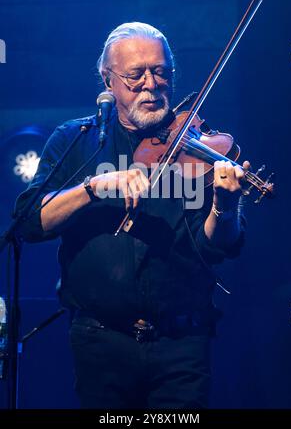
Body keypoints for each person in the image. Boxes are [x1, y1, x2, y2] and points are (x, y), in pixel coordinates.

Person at [15, 22, 249, 409]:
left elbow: (219, 246)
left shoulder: (198, 147)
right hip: (100, 342)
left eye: (161, 72)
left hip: (182, 344)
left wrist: (225, 208)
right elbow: (28, 221)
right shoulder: (77, 140)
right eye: (135, 74)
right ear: (108, 81)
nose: (150, 84)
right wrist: (93, 188)